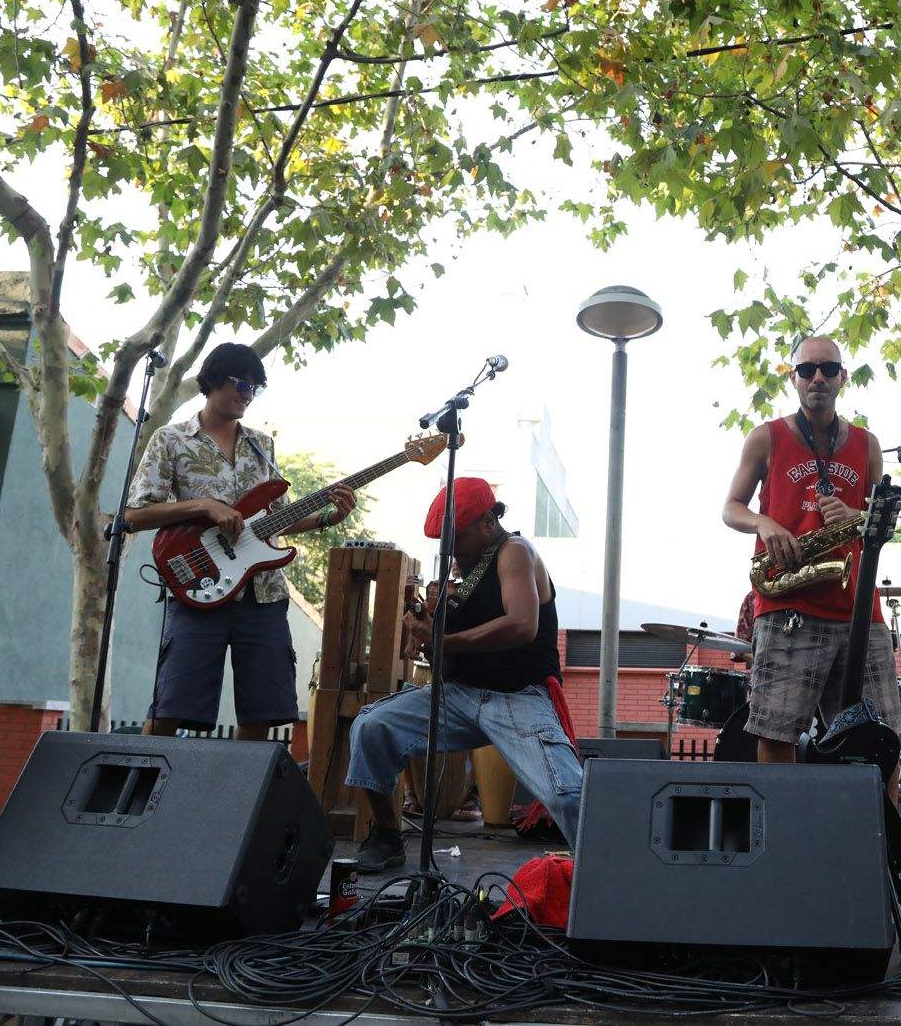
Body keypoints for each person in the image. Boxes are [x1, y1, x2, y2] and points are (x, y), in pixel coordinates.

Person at [344, 478, 581, 873]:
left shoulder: (515, 552)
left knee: (570, 796)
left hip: (517, 698)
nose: (450, 549)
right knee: (372, 726)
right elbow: (448, 632)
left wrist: (445, 641)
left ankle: (605, 875)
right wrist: (421, 629)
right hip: (460, 695)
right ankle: (386, 836)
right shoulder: (464, 569)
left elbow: (522, 624)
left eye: (458, 538)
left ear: (488, 522)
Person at [126, 342, 355, 740]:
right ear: (213, 380)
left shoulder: (261, 445)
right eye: (241, 383)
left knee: (263, 714)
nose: (248, 394)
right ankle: (139, 793)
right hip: (198, 587)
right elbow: (134, 515)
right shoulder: (171, 440)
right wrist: (205, 506)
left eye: (255, 388)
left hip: (262, 595)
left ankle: (232, 800)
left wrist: (327, 517)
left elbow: (277, 519)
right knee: (170, 708)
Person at [722, 335, 901, 797]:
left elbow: (884, 521)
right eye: (807, 370)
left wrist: (858, 517)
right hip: (789, 606)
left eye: (827, 368)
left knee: (882, 740)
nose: (817, 377)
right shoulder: (767, 436)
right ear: (794, 378)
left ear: (843, 377)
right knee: (776, 734)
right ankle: (780, 844)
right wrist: (765, 525)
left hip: (859, 611)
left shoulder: (866, 444)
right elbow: (730, 508)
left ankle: (881, 851)